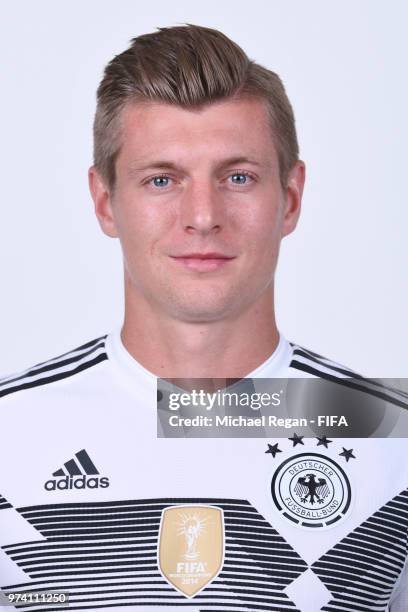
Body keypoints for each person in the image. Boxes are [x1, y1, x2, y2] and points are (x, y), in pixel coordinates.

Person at [0, 24, 407, 612]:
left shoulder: (387, 436)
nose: (202, 216)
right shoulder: (10, 436)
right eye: (161, 180)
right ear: (105, 201)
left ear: (290, 198)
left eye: (237, 177)